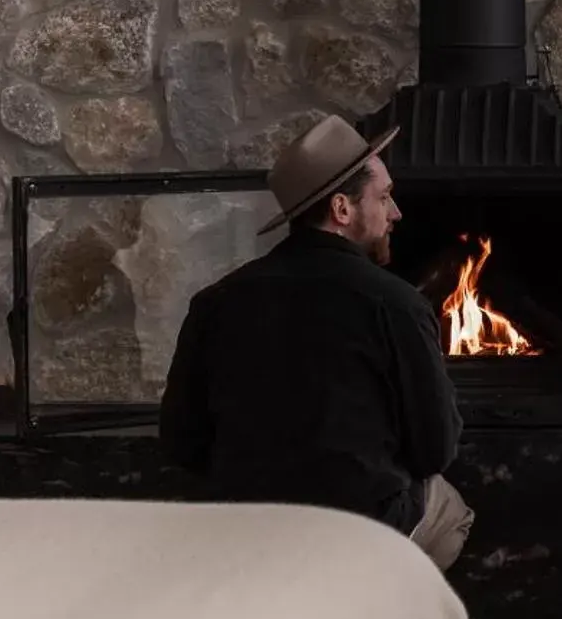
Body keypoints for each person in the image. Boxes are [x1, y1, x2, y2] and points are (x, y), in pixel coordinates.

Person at [160, 115, 471, 573]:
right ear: (342, 210)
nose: (396, 213)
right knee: (452, 513)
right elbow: (434, 450)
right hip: (357, 527)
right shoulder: (396, 304)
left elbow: (182, 444)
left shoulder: (214, 302)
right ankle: (372, 612)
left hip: (246, 528)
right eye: (384, 198)